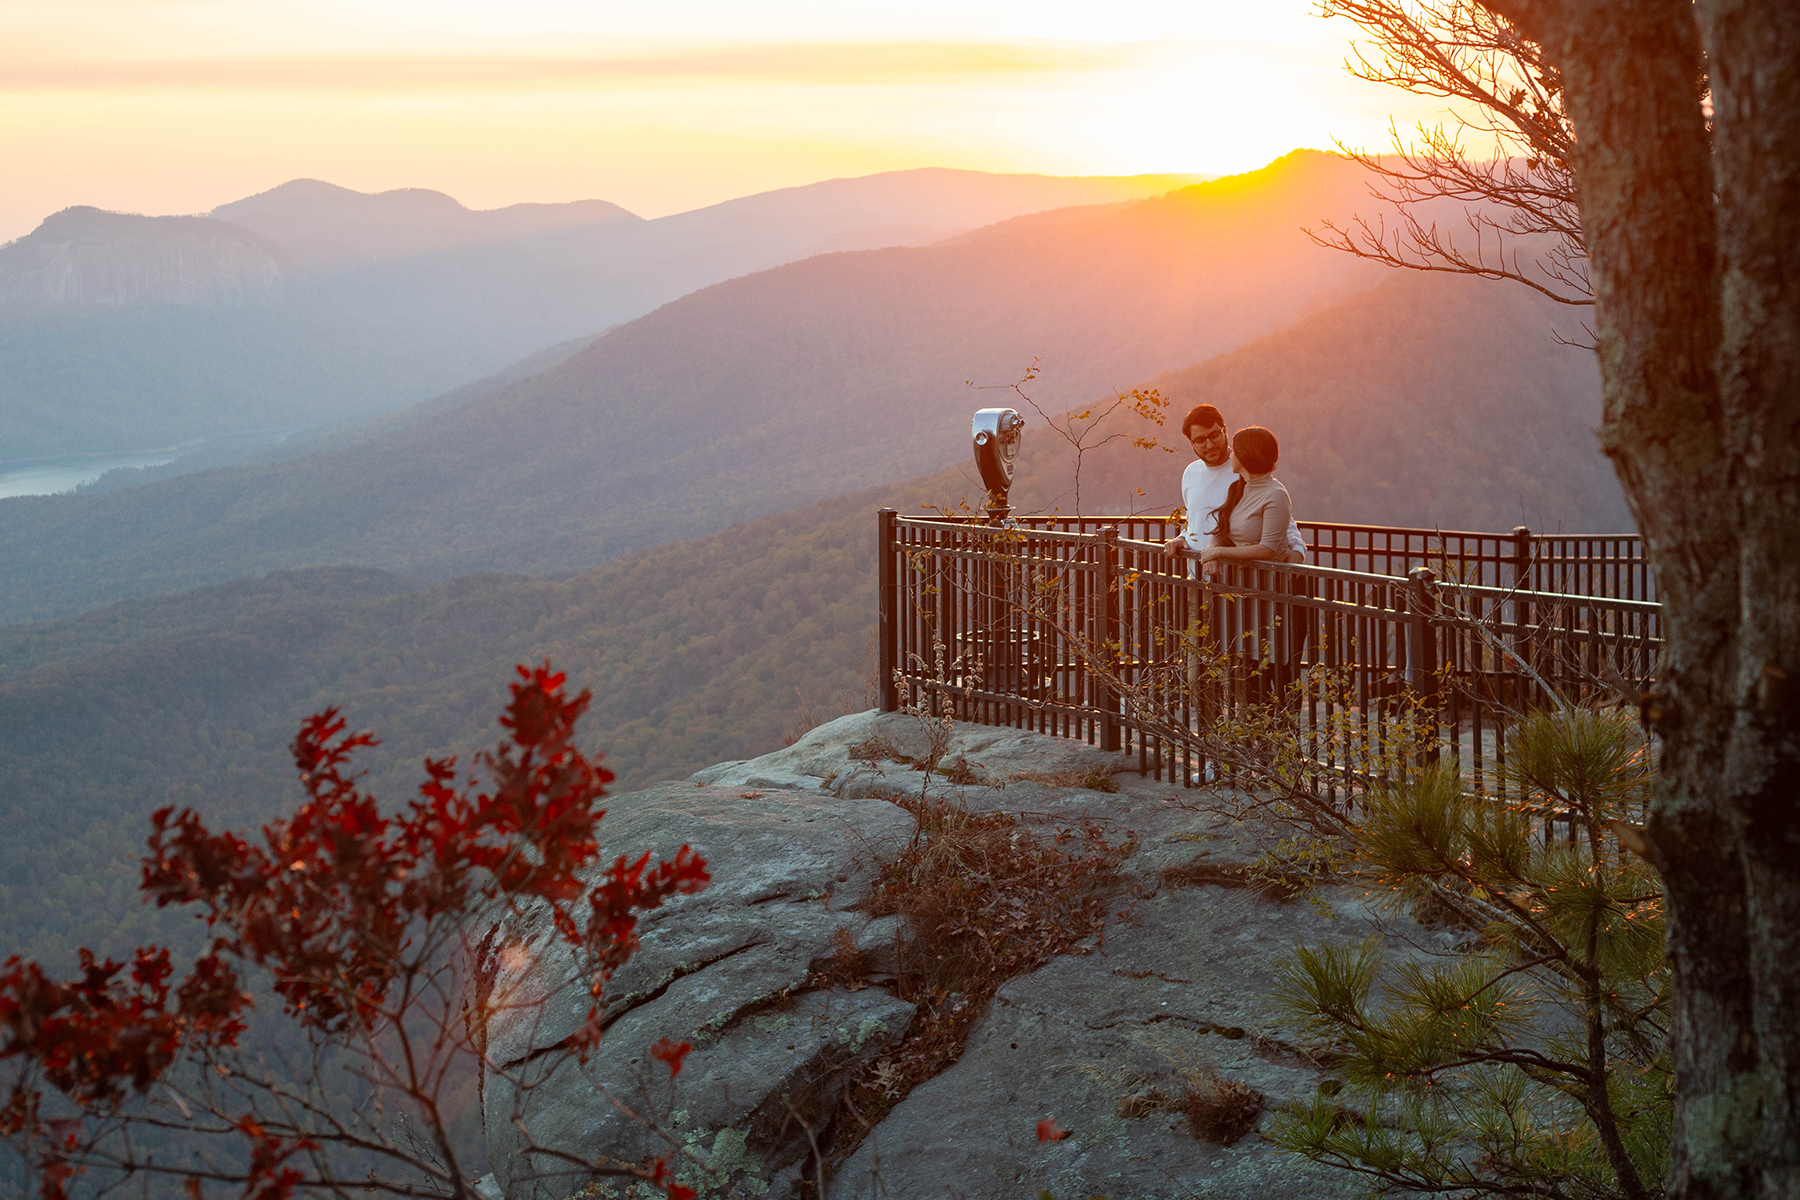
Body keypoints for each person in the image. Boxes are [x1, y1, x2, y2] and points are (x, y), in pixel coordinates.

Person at [1160, 406, 1306, 565]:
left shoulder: (1246, 469)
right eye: (1201, 440)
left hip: (1233, 578)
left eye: (1214, 435)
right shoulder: (1190, 473)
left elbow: (1279, 518)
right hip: (1196, 577)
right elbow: (1195, 518)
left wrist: (1298, 549)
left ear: (1224, 430)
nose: (1209, 445)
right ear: (1191, 442)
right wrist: (1183, 537)